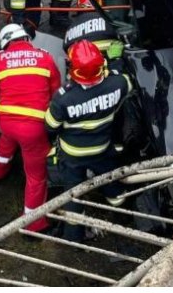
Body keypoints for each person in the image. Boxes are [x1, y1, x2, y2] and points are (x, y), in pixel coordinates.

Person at [45, 40, 132, 242]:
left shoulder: (63, 98)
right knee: (110, 179)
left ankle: (74, 236)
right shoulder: (117, 84)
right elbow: (126, 82)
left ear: (73, 69)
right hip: (102, 148)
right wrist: (116, 62)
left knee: (73, 193)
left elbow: (49, 126)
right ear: (101, 66)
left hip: (72, 154)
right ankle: (121, 211)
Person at [0, 23, 62, 233]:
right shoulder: (44, 58)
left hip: (6, 123)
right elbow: (56, 93)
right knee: (36, 177)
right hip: (34, 129)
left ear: (6, 42)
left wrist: (6, 112)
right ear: (26, 38)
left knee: (5, 145)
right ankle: (33, 225)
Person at [63, 0, 124, 71]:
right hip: (110, 60)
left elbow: (66, 49)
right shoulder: (109, 18)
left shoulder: (70, 27)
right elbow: (123, 32)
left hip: (81, 68)